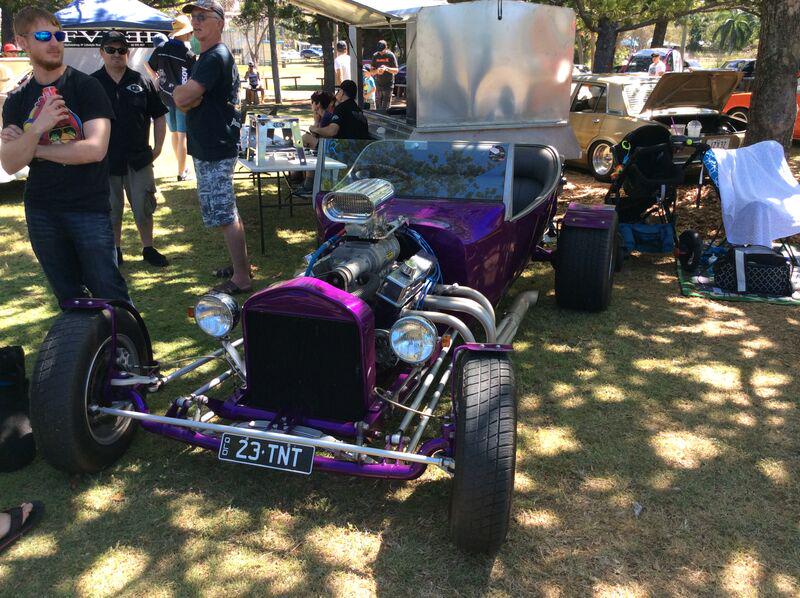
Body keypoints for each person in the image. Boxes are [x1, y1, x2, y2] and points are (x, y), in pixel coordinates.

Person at [0, 7, 131, 306]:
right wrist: (38, 128)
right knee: (69, 300)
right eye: (43, 35)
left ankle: (132, 352)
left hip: (88, 208)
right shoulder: (18, 100)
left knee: (110, 294)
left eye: (59, 35)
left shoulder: (86, 87)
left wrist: (31, 145)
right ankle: (84, 352)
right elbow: (9, 163)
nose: (55, 42)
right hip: (41, 211)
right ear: (22, 43)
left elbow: (95, 149)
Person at [173, 0, 252, 295]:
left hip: (216, 144)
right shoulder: (205, 56)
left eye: (202, 16)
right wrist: (189, 97)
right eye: (193, 17)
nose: (196, 22)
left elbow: (182, 99)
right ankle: (239, 266)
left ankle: (242, 278)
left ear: (219, 22)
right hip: (210, 144)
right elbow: (187, 99)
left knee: (224, 213)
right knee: (224, 211)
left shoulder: (214, 56)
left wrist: (188, 97)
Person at [92, 31, 169, 267]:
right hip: (105, 160)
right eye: (111, 50)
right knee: (111, 210)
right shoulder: (92, 84)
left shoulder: (142, 81)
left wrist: (157, 148)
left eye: (122, 50)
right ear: (101, 52)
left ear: (129, 52)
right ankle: (116, 251)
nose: (117, 55)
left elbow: (159, 117)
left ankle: (148, 248)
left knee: (144, 206)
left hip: (138, 158)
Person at [148, 14, 196, 182]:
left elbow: (148, 64)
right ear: (186, 33)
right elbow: (192, 77)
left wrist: (157, 78)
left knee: (174, 134)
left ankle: (181, 166)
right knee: (182, 135)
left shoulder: (161, 48)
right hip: (182, 99)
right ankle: (181, 171)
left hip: (165, 97)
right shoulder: (188, 54)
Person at [370, 40, 398, 112]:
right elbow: (371, 72)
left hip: (388, 85)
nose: (380, 52)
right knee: (378, 108)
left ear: (386, 48)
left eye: (382, 51)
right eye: (379, 51)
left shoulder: (390, 55)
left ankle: (386, 122)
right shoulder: (375, 56)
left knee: (386, 108)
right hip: (378, 85)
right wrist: (377, 71)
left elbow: (396, 70)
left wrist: (387, 69)